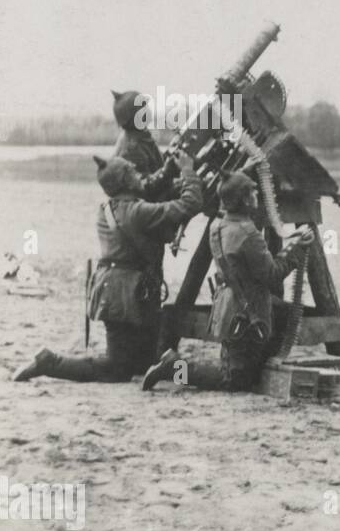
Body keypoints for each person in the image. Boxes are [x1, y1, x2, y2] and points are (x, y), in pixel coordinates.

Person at [13, 153, 201, 383]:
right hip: (124, 296)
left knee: (145, 362)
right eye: (132, 173)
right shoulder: (136, 212)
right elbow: (189, 204)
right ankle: (50, 363)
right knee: (116, 370)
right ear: (124, 182)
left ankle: (169, 368)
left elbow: (147, 192)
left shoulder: (113, 207)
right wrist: (189, 171)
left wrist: (169, 171)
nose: (139, 175)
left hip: (117, 291)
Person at [142, 172, 312, 392]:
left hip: (229, 306)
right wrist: (296, 251)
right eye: (251, 192)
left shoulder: (219, 225)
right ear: (243, 199)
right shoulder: (248, 233)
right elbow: (271, 274)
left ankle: (253, 364)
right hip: (247, 310)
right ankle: (172, 368)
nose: (256, 194)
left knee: (245, 355)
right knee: (232, 381)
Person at [111, 89, 177, 201]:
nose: (148, 110)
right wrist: (168, 170)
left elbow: (155, 164)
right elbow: (144, 187)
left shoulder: (141, 136)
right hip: (146, 206)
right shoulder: (132, 148)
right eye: (143, 108)